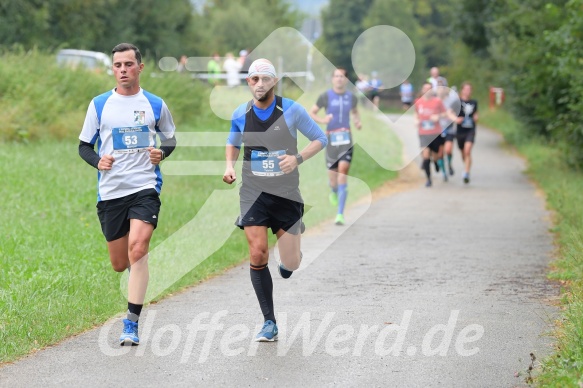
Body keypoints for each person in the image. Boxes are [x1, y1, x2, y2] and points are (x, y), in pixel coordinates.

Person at [78, 43, 177, 346]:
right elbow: (84, 146)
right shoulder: (99, 105)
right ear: (113, 69)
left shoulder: (155, 104)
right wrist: (98, 160)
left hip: (144, 187)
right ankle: (138, 272)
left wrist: (162, 152)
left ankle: (131, 323)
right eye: (118, 65)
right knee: (120, 263)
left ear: (140, 67)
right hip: (111, 192)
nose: (123, 70)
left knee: (139, 247)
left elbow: (170, 139)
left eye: (128, 64)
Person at [222, 58, 327, 342]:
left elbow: (320, 138)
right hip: (253, 193)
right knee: (257, 253)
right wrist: (229, 166)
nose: (259, 84)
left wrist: (297, 158)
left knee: (290, 263)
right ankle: (269, 321)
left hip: (286, 194)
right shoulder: (241, 113)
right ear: (248, 82)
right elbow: (233, 142)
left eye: (264, 79)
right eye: (254, 79)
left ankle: (291, 257)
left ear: (274, 81)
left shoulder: (291, 110)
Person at [309, 68, 361, 225]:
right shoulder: (325, 96)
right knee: (333, 178)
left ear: (346, 80)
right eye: (337, 76)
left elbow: (355, 112)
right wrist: (323, 120)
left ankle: (340, 214)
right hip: (331, 140)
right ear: (332, 79)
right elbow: (312, 112)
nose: (339, 79)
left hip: (346, 139)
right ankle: (333, 189)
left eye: (342, 77)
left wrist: (357, 121)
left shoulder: (351, 97)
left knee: (343, 172)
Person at [414, 82, 447, 187]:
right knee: (426, 154)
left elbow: (445, 113)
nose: (427, 90)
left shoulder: (438, 101)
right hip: (423, 133)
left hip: (435, 133)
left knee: (436, 155)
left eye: (429, 88)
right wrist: (416, 120)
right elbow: (416, 114)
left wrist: (438, 116)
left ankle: (437, 162)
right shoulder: (418, 102)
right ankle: (428, 179)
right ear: (422, 90)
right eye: (425, 88)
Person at [455, 82, 479, 184]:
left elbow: (476, 113)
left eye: (470, 89)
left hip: (470, 130)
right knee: (463, 153)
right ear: (462, 90)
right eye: (466, 89)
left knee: (467, 151)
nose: (468, 91)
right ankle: (466, 166)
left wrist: (476, 117)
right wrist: (456, 119)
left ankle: (466, 172)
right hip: (460, 131)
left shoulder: (474, 102)